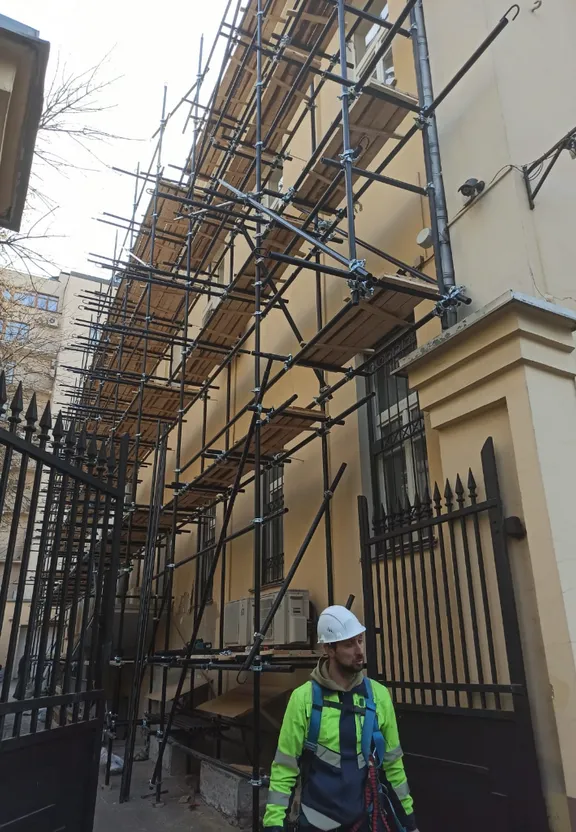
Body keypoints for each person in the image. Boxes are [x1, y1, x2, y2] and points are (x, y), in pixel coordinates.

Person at [263, 605, 418, 832]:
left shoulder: (378, 696)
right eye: (348, 644)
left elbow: (393, 765)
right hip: (316, 822)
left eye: (360, 641)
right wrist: (273, 824)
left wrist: (409, 822)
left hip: (365, 820)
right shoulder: (303, 699)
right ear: (329, 649)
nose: (359, 651)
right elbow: (284, 769)